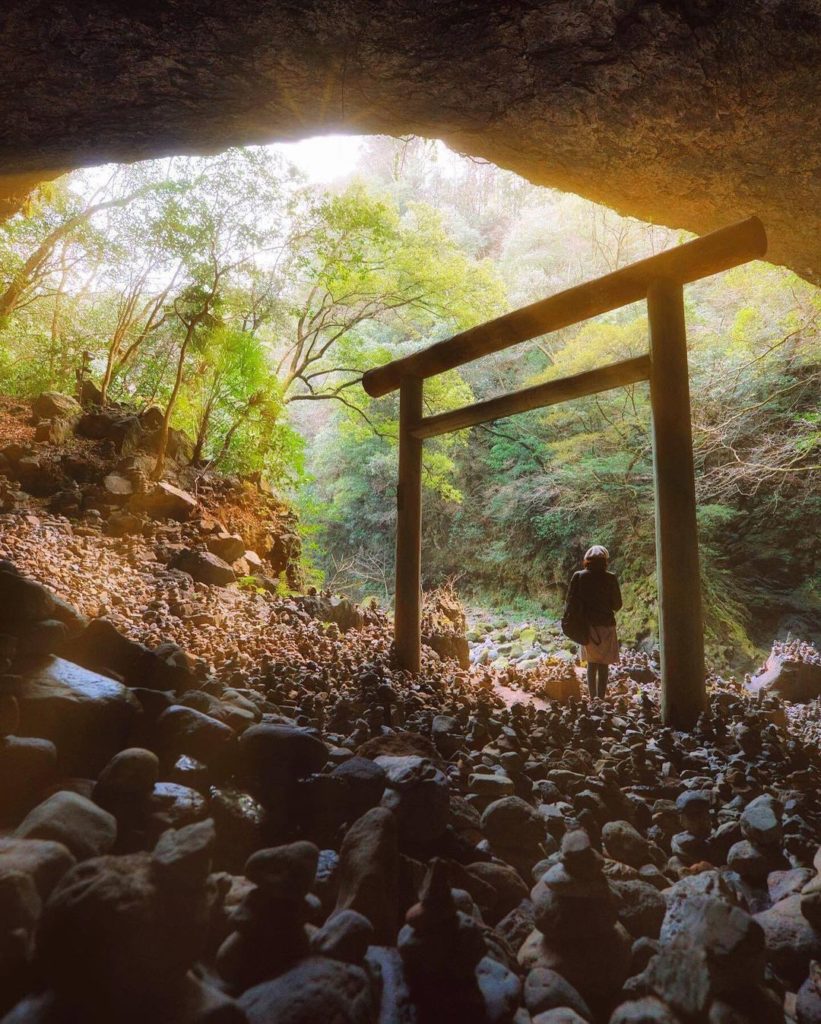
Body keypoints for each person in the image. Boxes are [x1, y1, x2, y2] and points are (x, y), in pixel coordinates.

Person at [565, 544, 622, 699]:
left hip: (586, 626)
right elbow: (617, 605)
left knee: (591, 663)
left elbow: (570, 602)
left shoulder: (578, 576)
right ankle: (601, 699)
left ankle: (592, 699)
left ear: (587, 561)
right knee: (604, 664)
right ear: (605, 561)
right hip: (607, 626)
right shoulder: (611, 578)